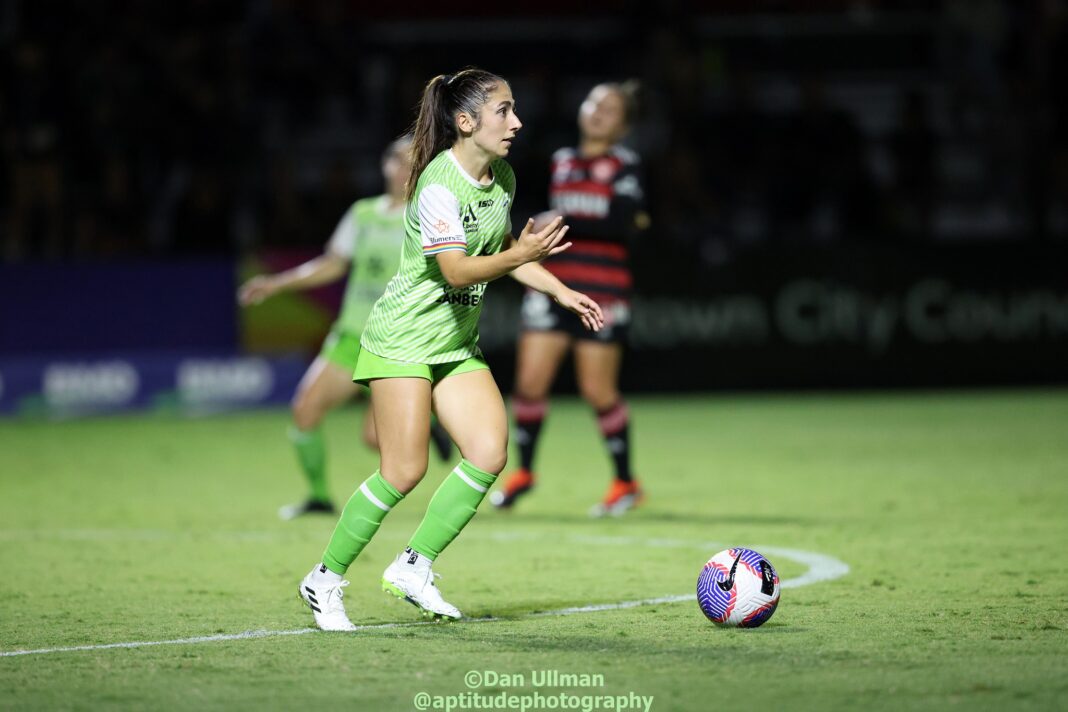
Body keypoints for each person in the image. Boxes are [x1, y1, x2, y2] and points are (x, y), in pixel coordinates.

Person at [296, 68, 603, 631]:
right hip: (403, 340)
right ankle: (324, 579)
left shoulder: (502, 177)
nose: (517, 122)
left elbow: (505, 246)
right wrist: (518, 258)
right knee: (403, 470)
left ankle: (414, 567)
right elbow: (459, 270)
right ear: (465, 122)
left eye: (514, 110)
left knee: (488, 452)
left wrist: (560, 289)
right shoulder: (438, 184)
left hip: (455, 344)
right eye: (504, 110)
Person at [238, 137, 453, 520]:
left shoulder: (431, 214)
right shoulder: (363, 214)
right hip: (352, 336)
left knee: (375, 439)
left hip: (397, 341)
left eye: (413, 161)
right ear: (384, 166)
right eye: (398, 160)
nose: (405, 168)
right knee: (304, 410)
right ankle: (320, 497)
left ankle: (428, 417)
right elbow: (332, 263)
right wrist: (276, 283)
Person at [490, 81, 648, 517]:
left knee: (598, 391)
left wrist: (559, 220)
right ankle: (524, 472)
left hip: (603, 289)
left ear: (623, 125)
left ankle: (625, 482)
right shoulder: (562, 161)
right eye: (595, 101)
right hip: (554, 286)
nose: (599, 111)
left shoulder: (625, 164)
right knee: (529, 385)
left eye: (611, 108)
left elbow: (622, 225)